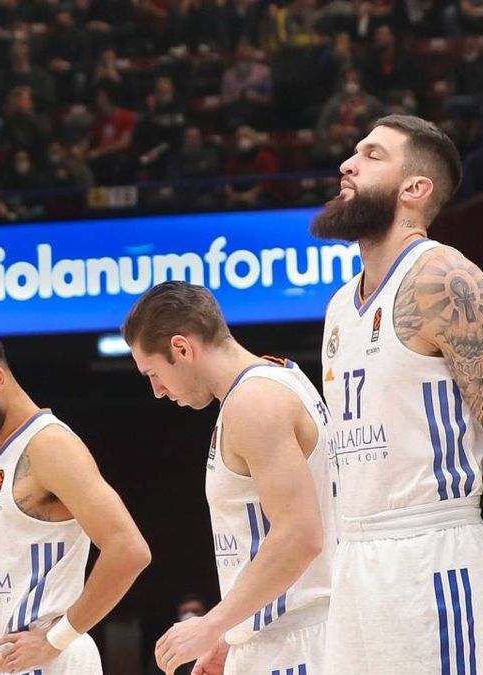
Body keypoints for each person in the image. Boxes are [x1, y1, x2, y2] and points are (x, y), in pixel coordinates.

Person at [313, 114, 483, 672]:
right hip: (355, 555)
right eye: (354, 152)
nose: (348, 165)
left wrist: (477, 553)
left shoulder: (443, 278)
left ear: (415, 188)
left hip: (435, 550)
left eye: (372, 155)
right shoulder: (340, 305)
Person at [124, 282, 334, 674]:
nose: (157, 391)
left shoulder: (253, 402)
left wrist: (212, 624)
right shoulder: (280, 376)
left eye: (153, 373)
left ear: (182, 348)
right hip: (285, 635)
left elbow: (301, 535)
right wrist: (232, 634)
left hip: (294, 646)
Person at [0, 320, 150, 674]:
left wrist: (55, 639)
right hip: (7, 662)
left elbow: (130, 550)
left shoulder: (49, 445)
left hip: (49, 660)